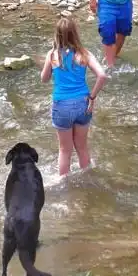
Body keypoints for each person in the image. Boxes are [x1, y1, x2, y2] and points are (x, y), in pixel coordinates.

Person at [40, 17, 107, 176]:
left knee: (64, 150)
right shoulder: (85, 53)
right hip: (83, 104)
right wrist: (92, 97)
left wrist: (50, 66)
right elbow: (102, 76)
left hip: (61, 105)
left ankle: (64, 187)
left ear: (57, 35)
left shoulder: (53, 55)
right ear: (75, 34)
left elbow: (44, 79)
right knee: (82, 147)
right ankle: (88, 180)